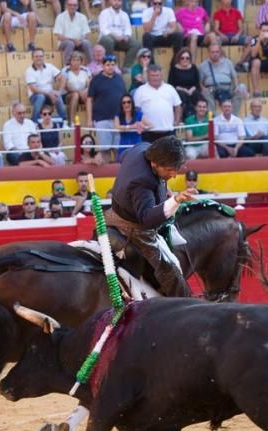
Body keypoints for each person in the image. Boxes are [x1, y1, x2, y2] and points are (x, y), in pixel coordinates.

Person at [105, 136, 195, 297]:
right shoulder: (142, 182)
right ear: (154, 163)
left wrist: (160, 191)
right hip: (132, 226)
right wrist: (175, 200)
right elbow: (146, 219)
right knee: (170, 269)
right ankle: (185, 303)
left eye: (176, 169)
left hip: (116, 210)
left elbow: (123, 156)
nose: (174, 175)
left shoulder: (141, 149)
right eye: (169, 170)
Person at [87, 53, 125, 161]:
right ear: (103, 66)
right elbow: (89, 100)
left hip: (118, 119)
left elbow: (124, 98)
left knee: (118, 149)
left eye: (113, 64)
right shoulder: (96, 80)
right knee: (105, 149)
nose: (110, 67)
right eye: (108, 64)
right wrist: (90, 119)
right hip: (102, 119)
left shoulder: (119, 79)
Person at [133, 64, 182, 143]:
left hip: (168, 132)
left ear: (161, 75)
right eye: (153, 75)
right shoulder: (140, 91)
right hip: (148, 134)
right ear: (148, 76)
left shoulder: (170, 88)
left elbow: (178, 106)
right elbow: (136, 110)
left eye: (157, 75)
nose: (155, 78)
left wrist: (176, 121)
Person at [25, 48, 66, 121]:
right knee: (41, 97)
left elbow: (63, 78)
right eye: (36, 56)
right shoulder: (29, 71)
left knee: (57, 96)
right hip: (36, 96)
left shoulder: (50, 66)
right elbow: (34, 89)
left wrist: (59, 92)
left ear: (43, 57)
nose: (39, 58)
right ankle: (34, 121)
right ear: (32, 58)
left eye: (40, 56)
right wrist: (49, 94)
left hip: (49, 94)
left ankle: (64, 121)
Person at [98, 0, 139, 67]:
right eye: (114, 0)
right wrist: (115, 36)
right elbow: (104, 30)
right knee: (108, 40)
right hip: (108, 39)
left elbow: (128, 29)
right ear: (110, 1)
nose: (117, 2)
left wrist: (126, 36)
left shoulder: (124, 14)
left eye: (119, 1)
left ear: (122, 2)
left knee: (136, 44)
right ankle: (111, 65)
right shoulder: (104, 13)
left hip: (121, 39)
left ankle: (126, 67)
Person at [199, 41, 240, 109]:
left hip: (228, 87)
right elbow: (199, 81)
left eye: (217, 52)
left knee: (240, 90)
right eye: (213, 52)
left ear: (220, 52)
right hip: (212, 88)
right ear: (209, 53)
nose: (215, 54)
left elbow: (235, 76)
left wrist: (236, 86)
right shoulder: (203, 65)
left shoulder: (228, 62)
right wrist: (203, 88)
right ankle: (211, 117)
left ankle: (232, 116)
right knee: (205, 94)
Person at [54, 0, 91, 65]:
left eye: (74, 5)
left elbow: (86, 34)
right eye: (70, 5)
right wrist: (73, 40)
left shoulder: (82, 17)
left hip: (79, 41)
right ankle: (67, 65)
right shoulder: (60, 17)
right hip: (65, 43)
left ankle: (92, 65)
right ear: (66, 6)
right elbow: (59, 36)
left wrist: (80, 40)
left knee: (87, 43)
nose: (72, 7)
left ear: (77, 6)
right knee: (70, 44)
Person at [2, 100, 38, 165]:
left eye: (24, 113)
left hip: (30, 151)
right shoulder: (7, 125)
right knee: (14, 155)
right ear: (13, 113)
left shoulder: (30, 123)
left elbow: (35, 138)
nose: (22, 115)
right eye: (19, 113)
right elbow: (8, 144)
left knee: (43, 154)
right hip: (16, 152)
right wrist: (20, 153)